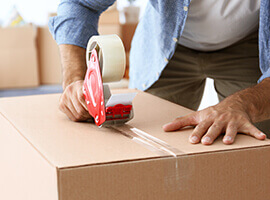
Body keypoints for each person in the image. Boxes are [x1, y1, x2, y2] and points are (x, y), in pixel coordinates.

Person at [49, 0, 270, 145]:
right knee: (145, 139)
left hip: (249, 44)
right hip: (165, 42)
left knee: (256, 140)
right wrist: (75, 78)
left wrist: (244, 104)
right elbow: (80, 4)